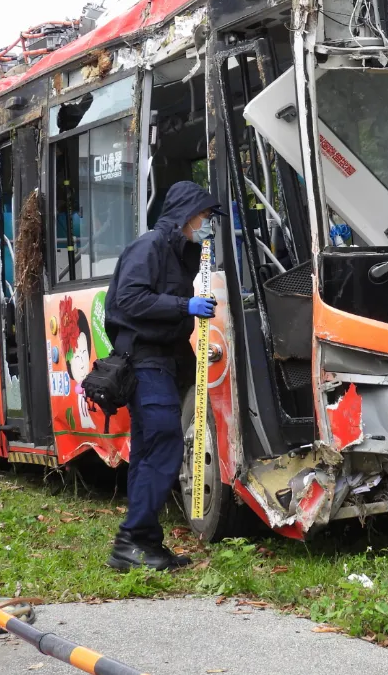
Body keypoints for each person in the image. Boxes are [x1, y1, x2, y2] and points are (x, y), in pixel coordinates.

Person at [102, 180, 221, 571]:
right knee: (165, 442)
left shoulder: (179, 250)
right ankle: (133, 540)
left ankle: (143, 544)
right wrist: (183, 304)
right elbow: (128, 299)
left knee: (150, 450)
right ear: (187, 215)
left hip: (163, 362)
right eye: (205, 216)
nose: (208, 225)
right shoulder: (150, 246)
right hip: (145, 361)